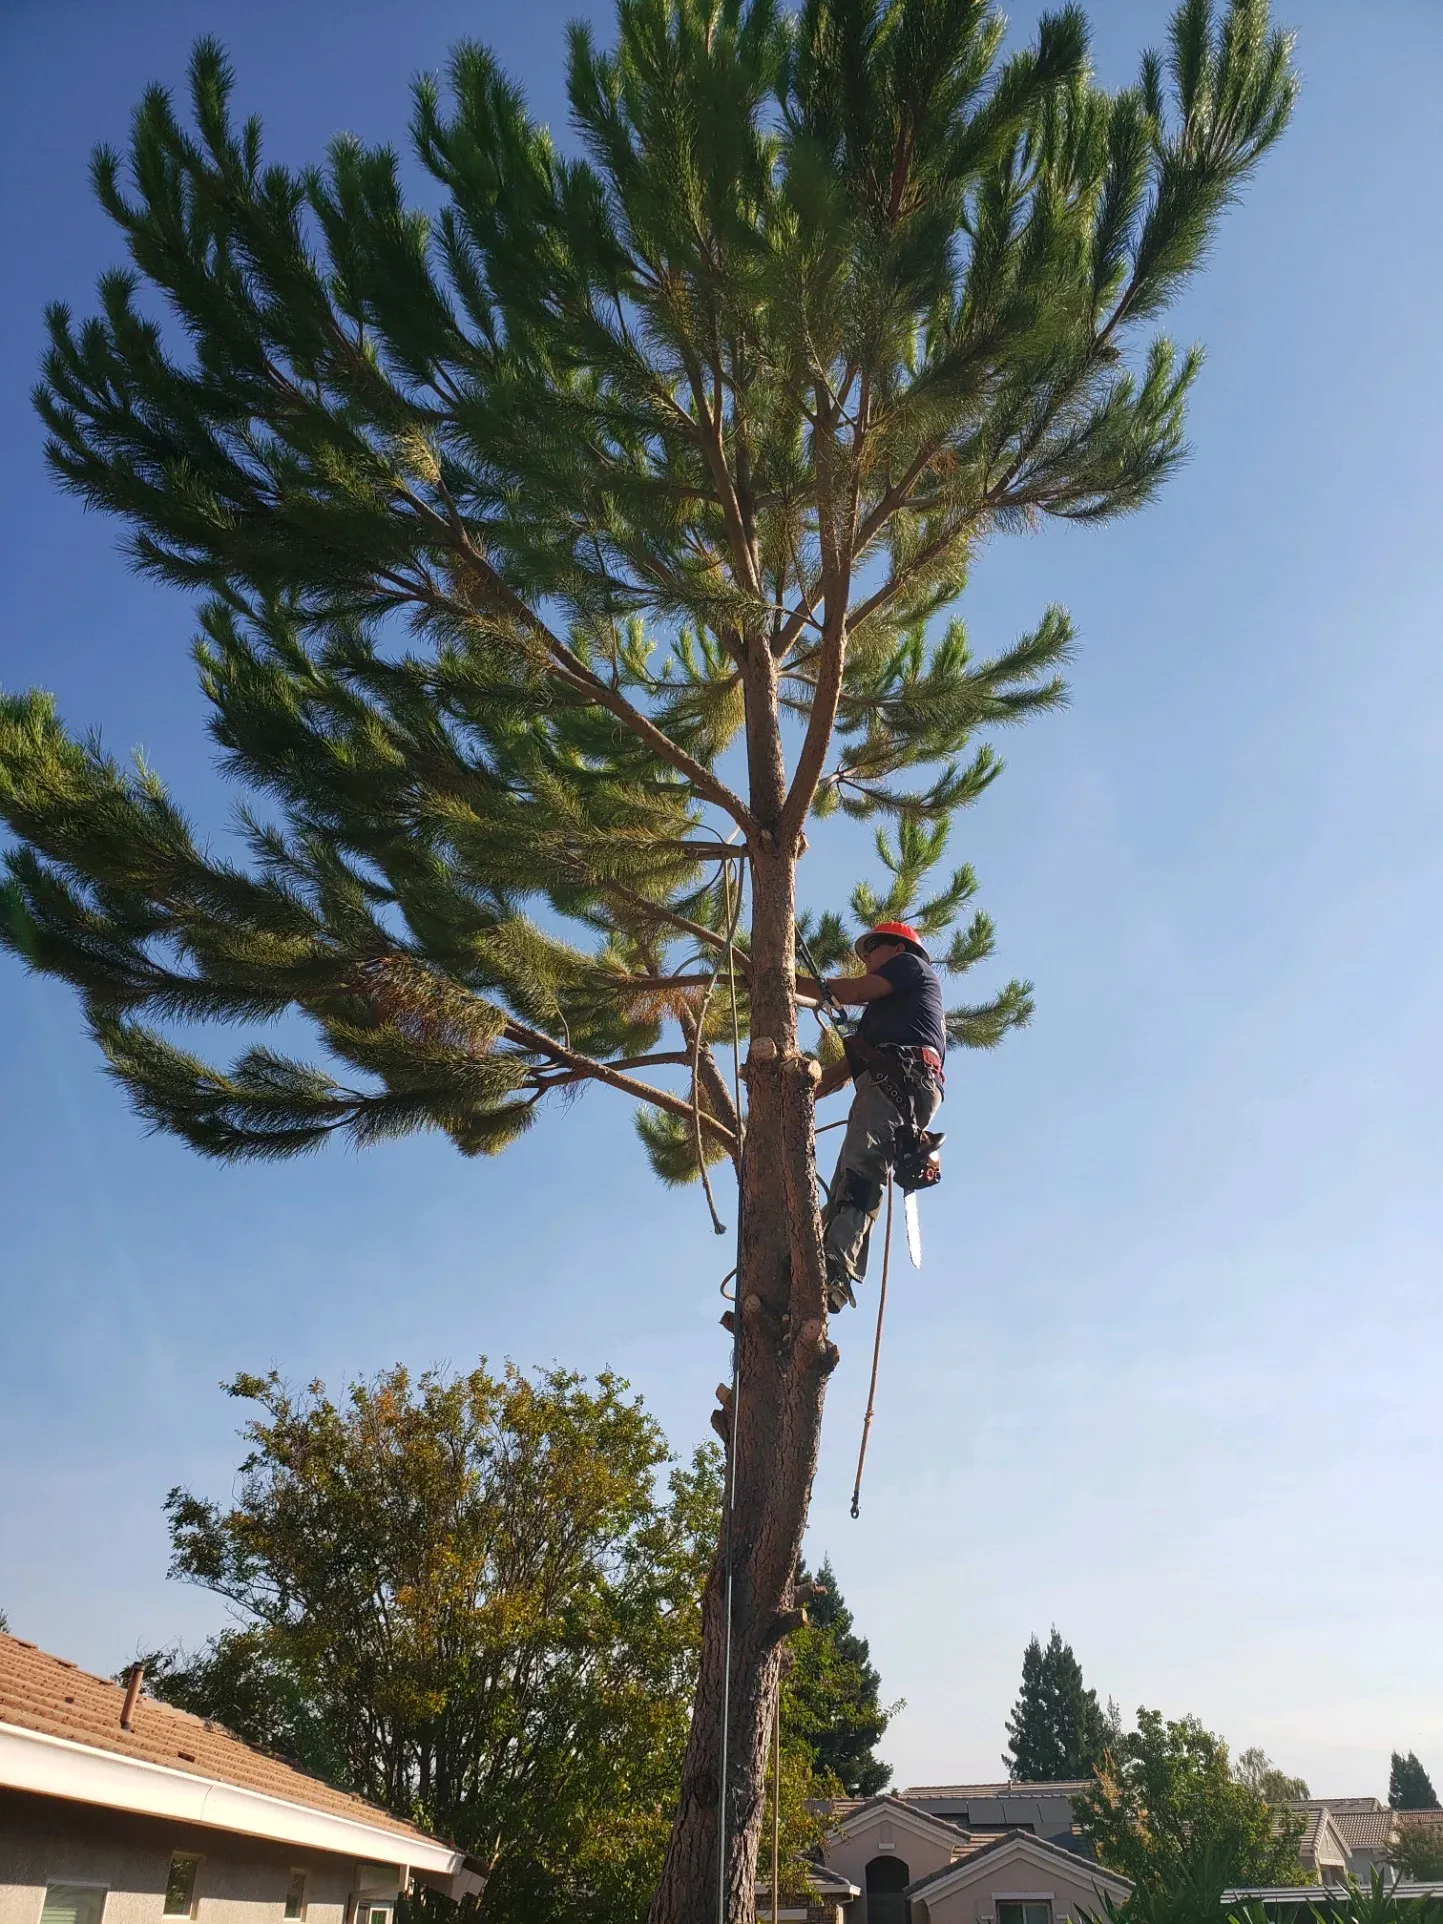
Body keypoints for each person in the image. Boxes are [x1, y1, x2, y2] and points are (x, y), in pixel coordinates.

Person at [811, 921, 946, 1312]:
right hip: (893, 1079)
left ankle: (835, 1264)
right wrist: (802, 1091)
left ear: (899, 950)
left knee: (862, 1168)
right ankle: (818, 1260)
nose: (867, 958)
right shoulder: (883, 1014)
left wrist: (784, 980)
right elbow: (844, 1070)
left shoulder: (912, 968)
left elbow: (851, 991)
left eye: (873, 949)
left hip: (902, 1078)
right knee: (848, 1178)